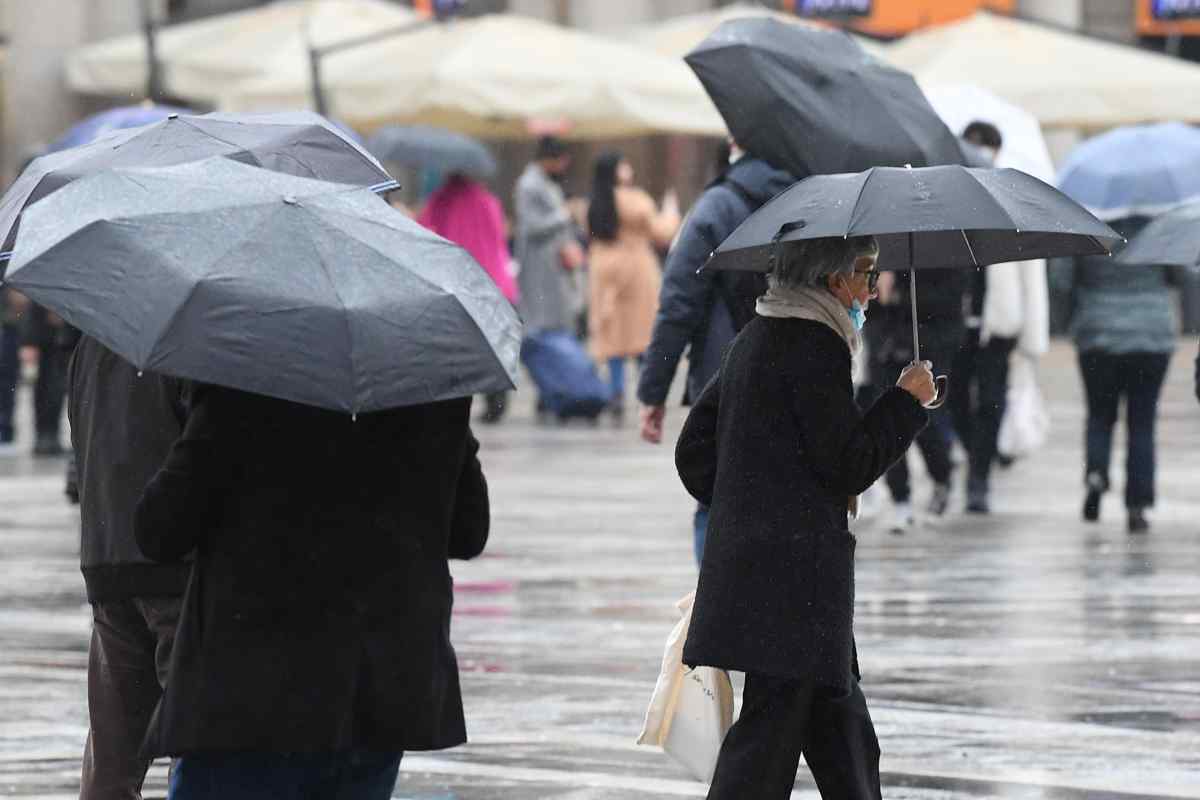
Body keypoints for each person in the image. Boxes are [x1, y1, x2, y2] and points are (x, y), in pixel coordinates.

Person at [133, 384, 489, 799]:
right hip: (376, 690)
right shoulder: (429, 386)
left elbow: (159, 531)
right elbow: (468, 532)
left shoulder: (247, 385)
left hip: (251, 693)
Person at [675, 236, 934, 799]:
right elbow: (848, 462)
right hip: (795, 585)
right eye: (864, 273)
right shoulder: (813, 343)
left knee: (840, 728)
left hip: (781, 579)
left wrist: (753, 501)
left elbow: (695, 450)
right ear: (829, 277)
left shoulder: (758, 333)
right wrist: (906, 401)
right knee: (766, 745)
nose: (872, 287)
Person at [637, 140, 796, 563]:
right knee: (785, 499)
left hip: (725, 377)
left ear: (735, 144)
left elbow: (678, 304)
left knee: (717, 497)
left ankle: (715, 607)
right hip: (800, 375)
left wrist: (654, 391)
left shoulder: (718, 205)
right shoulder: (812, 196)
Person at [68, 336, 191, 800]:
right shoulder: (188, 340)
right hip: (174, 567)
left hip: (106, 559)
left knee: (113, 754)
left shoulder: (95, 339)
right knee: (201, 740)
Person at [1061, 216, 1182, 534]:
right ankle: (1137, 505)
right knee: (1142, 422)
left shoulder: (1085, 223)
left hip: (1097, 332)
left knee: (1100, 415)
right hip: (1152, 334)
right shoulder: (1162, 224)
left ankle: (1096, 474)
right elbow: (1184, 273)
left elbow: (1061, 280)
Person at [951, 120, 1049, 514]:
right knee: (954, 400)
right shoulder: (951, 198)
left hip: (1000, 323)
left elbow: (1032, 275)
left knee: (991, 401)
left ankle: (979, 479)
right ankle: (979, 451)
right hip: (958, 322)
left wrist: (1032, 338)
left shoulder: (1012, 200)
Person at [862, 267, 965, 532]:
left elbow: (949, 298)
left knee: (926, 419)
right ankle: (900, 497)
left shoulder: (943, 250)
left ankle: (941, 476)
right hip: (886, 344)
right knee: (887, 419)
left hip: (928, 343)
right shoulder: (879, 250)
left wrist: (900, 291)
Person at [586, 151, 680, 421]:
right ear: (617, 170)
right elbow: (662, 233)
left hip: (604, 268)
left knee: (613, 335)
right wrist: (671, 212)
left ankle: (616, 392)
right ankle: (647, 391)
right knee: (642, 334)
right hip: (636, 269)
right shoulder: (636, 201)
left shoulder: (595, 201)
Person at [419, 174, 518, 424]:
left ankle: (459, 399)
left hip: (458, 279)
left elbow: (424, 230)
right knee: (492, 343)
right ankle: (496, 395)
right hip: (493, 280)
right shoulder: (489, 201)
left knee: (459, 344)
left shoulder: (441, 200)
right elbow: (500, 237)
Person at [514, 136, 584, 340]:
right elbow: (531, 226)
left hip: (555, 261)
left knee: (558, 313)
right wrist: (564, 214)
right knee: (542, 318)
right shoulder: (528, 185)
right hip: (538, 263)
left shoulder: (546, 182)